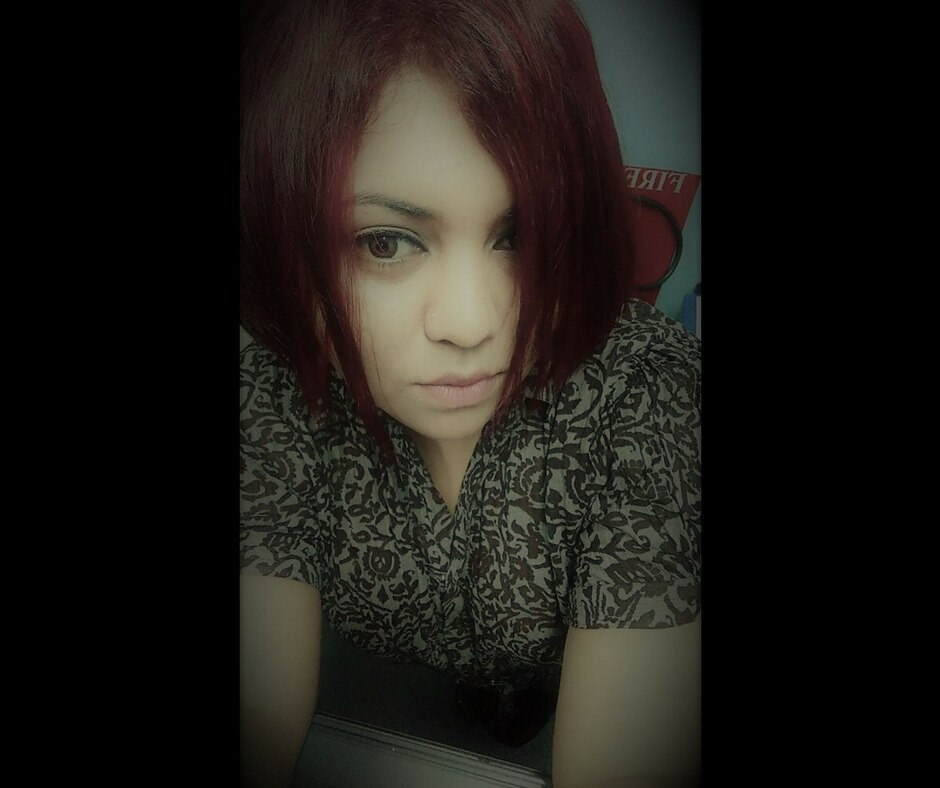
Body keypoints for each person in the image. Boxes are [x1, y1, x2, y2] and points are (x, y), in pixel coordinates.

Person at [239, 1, 701, 785]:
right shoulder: (278, 386)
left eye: (517, 235)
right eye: (386, 242)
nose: (472, 322)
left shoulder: (649, 390)